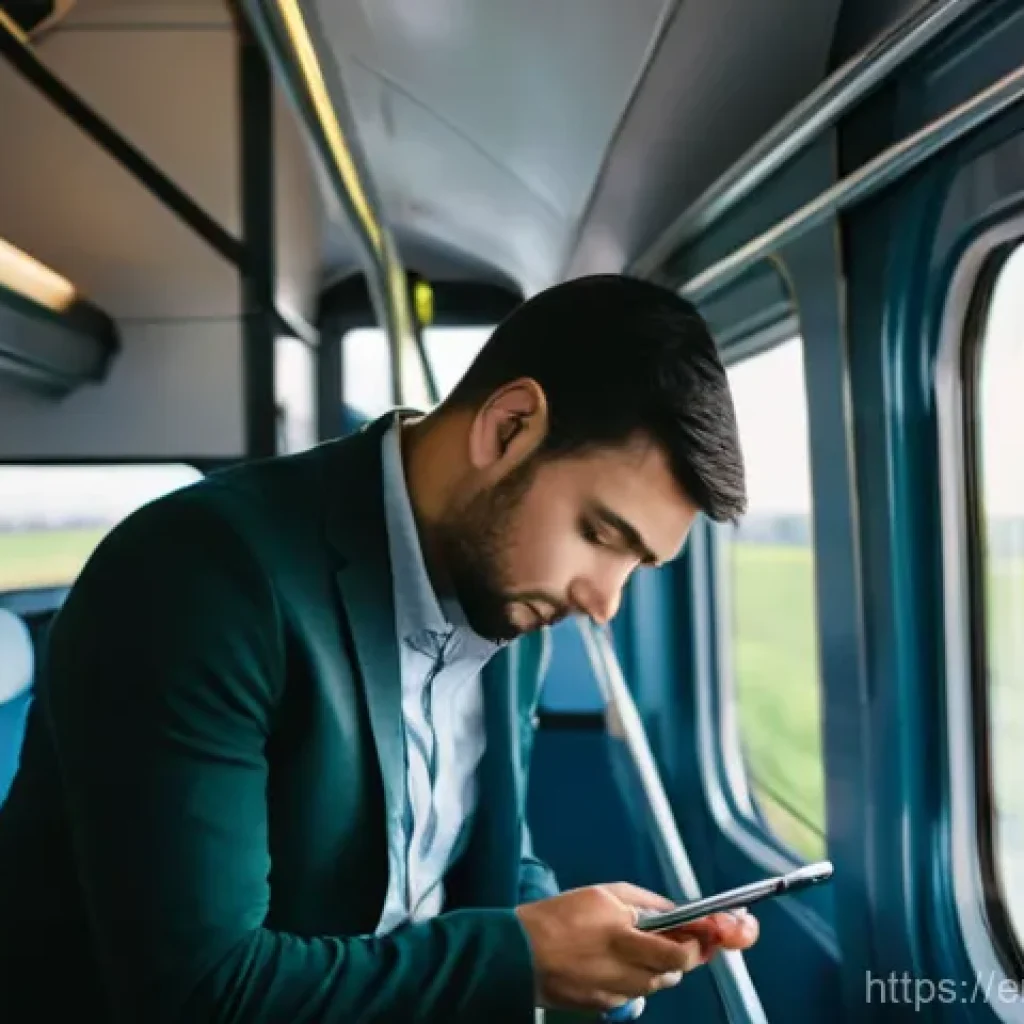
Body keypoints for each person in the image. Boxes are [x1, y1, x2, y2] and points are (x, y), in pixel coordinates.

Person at [0, 274, 757, 1022]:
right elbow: (202, 993)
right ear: (508, 426)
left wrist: (588, 941)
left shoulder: (512, 599)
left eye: (637, 564)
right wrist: (521, 958)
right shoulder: (200, 575)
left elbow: (460, 855)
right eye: (599, 533)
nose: (603, 601)